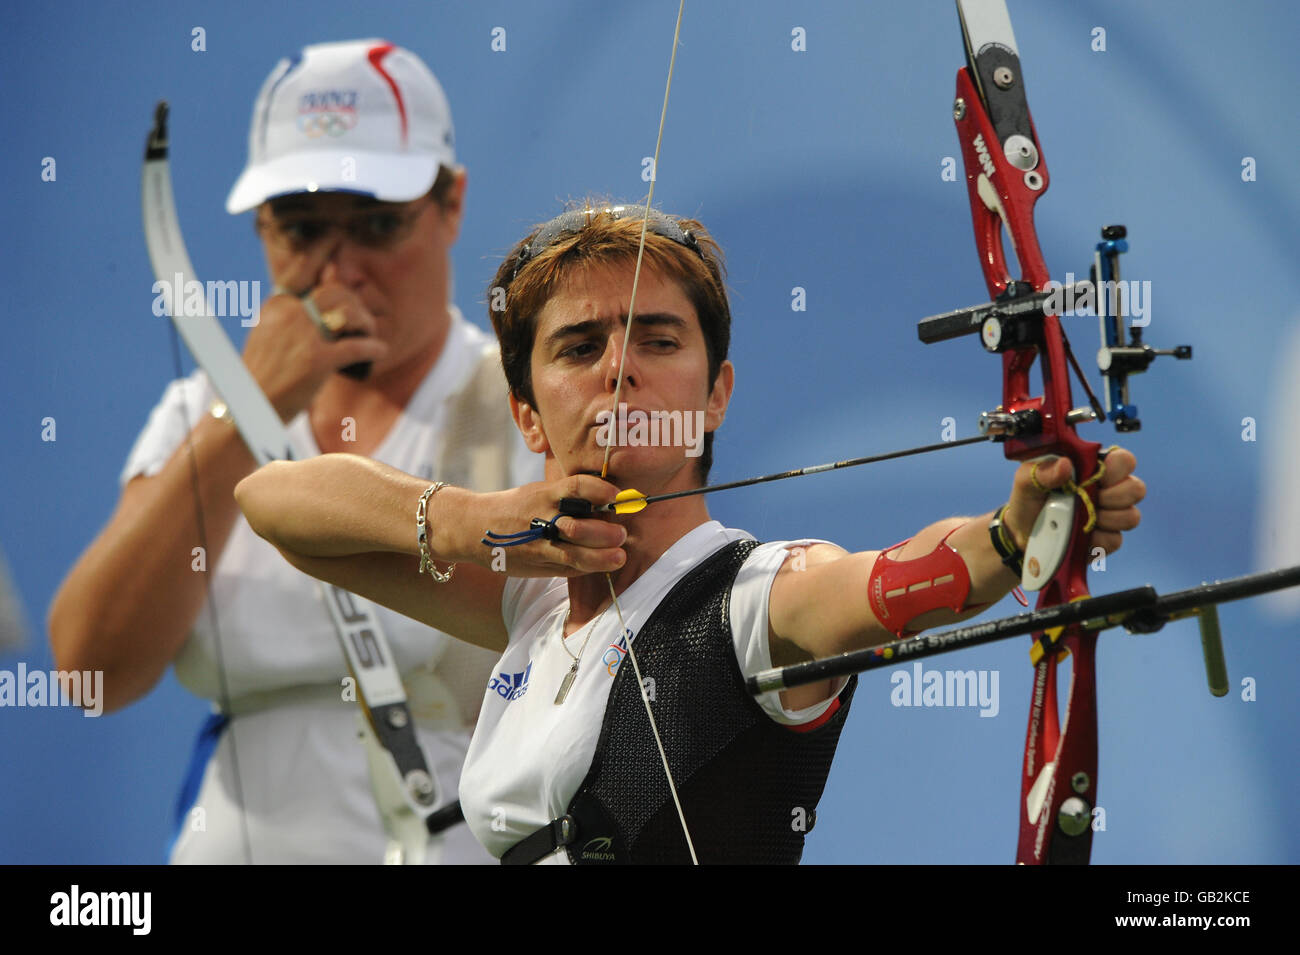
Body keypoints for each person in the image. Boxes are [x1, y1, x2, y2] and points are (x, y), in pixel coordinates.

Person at [233, 204, 1146, 863]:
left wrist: (1019, 527)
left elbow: (890, 580)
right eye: (579, 346)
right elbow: (276, 505)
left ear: (716, 394)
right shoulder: (531, 604)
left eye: (659, 341)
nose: (620, 369)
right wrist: (472, 521)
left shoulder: (759, 597)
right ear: (528, 414)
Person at [47, 39, 538, 864]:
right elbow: (92, 671)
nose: (337, 267)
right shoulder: (195, 416)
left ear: (451, 203)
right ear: (260, 228)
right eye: (301, 229)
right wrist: (247, 409)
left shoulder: (519, 405)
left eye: (378, 224)